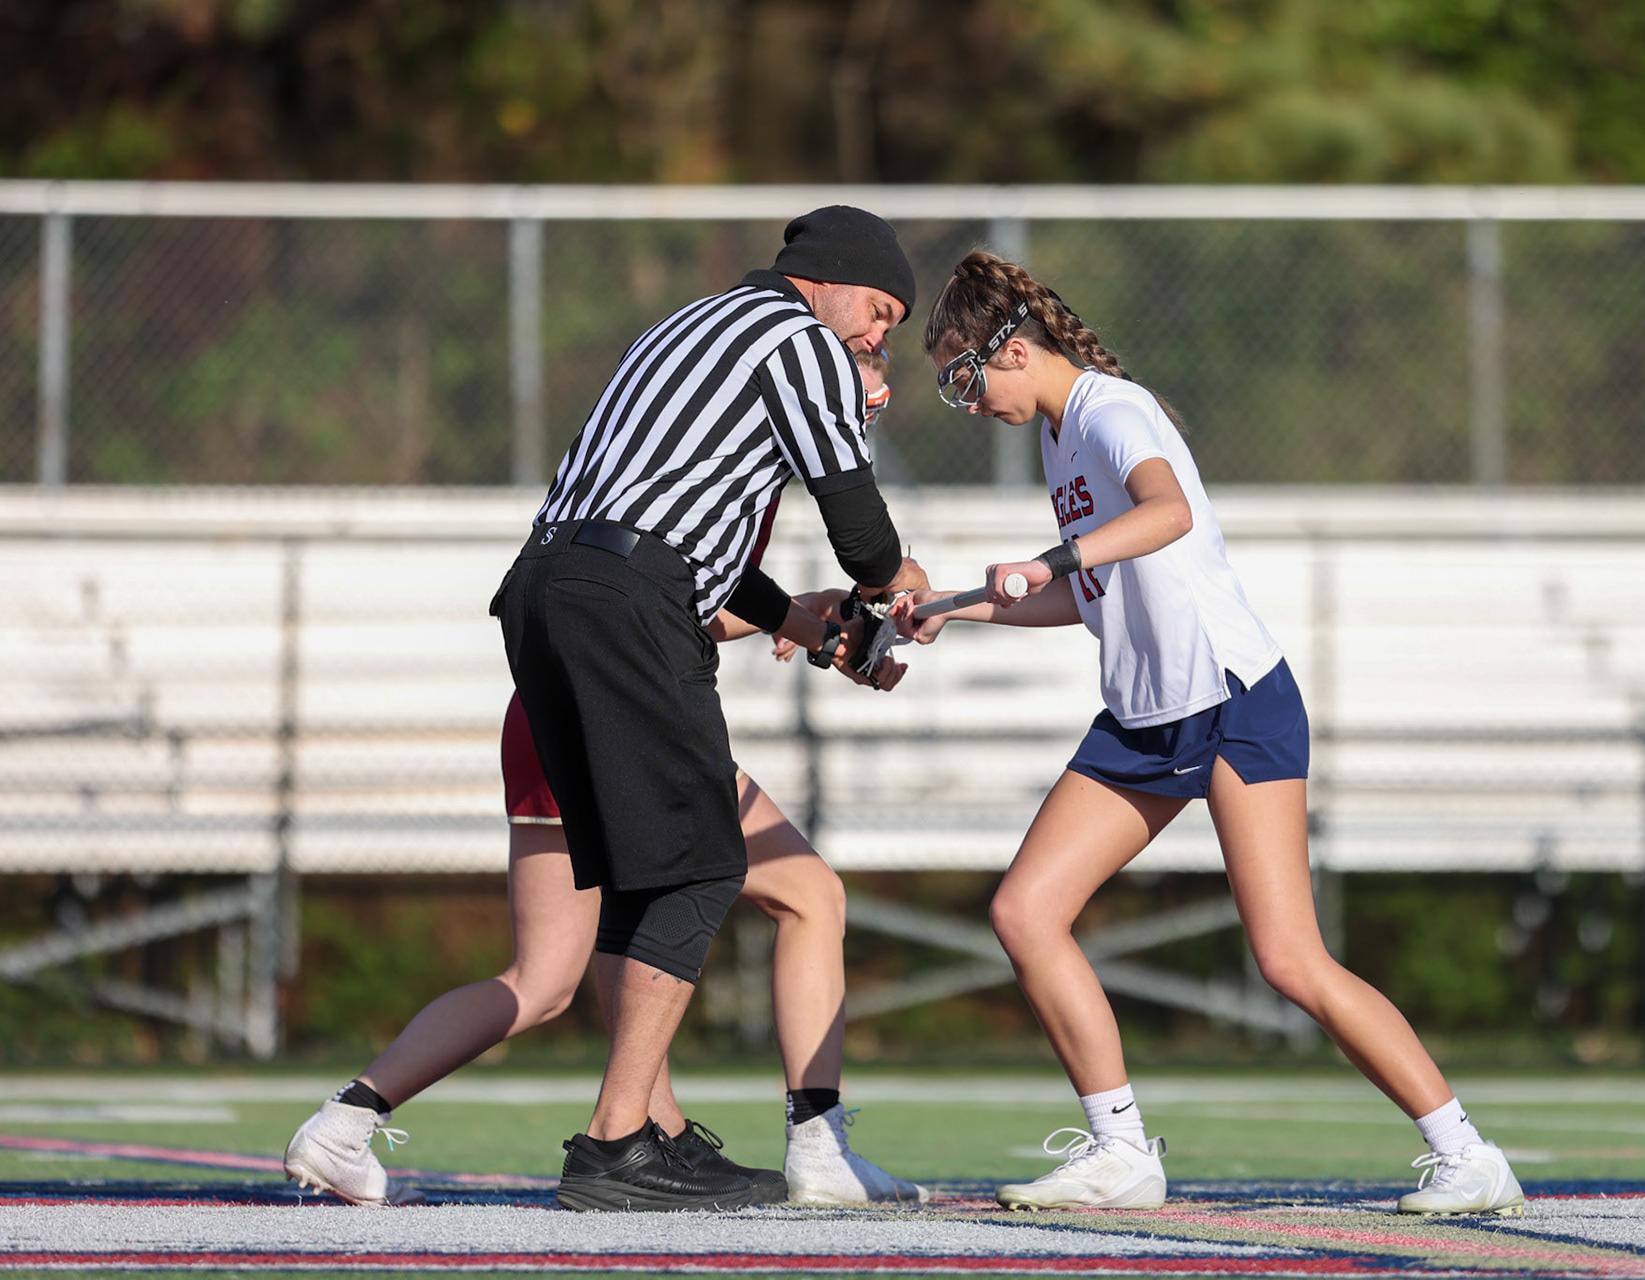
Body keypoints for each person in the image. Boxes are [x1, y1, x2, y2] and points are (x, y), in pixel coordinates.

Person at [893, 251, 1525, 1217]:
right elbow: (1086, 592)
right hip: (1147, 711)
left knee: (1290, 959)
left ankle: (1468, 1154)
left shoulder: (1113, 410)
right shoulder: (1064, 437)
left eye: (965, 378)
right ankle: (1120, 1154)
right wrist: (960, 607)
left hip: (1228, 698)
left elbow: (1167, 514)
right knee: (1025, 912)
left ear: (1013, 349)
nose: (967, 402)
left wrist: (1046, 556)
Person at [283, 348, 927, 1208]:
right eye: (856, 408)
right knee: (806, 893)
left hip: (545, 703)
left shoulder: (686, 431)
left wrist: (804, 622)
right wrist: (814, 617)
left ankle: (345, 1121)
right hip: (616, 695)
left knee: (545, 978)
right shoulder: (741, 453)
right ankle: (814, 1143)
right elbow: (667, 603)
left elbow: (681, 586)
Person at [497, 206, 920, 1212]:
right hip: (627, 606)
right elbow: (861, 536)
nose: (877, 337)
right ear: (829, 279)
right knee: (702, 863)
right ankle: (614, 1141)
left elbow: (675, 532)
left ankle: (650, 1129)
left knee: (645, 873)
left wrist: (806, 622)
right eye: (879, 310)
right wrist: (897, 590)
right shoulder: (802, 343)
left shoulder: (691, 324)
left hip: (545, 591)